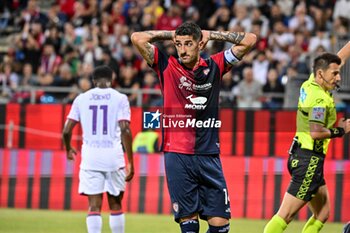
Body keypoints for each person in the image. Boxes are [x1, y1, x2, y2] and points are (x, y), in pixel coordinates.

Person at [131, 22, 256, 233]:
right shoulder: (166, 65)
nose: (183, 49)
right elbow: (137, 37)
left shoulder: (215, 65)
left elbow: (250, 39)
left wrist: (212, 34)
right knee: (189, 226)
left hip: (208, 155)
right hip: (178, 155)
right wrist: (172, 34)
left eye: (189, 43)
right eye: (179, 44)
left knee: (221, 226)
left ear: (200, 44)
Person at [263, 41, 350, 233]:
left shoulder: (312, 82)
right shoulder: (319, 99)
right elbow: (316, 132)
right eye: (334, 74)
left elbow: (338, 59)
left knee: (323, 213)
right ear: (321, 74)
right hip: (308, 160)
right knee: (284, 215)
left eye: (338, 73)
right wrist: (341, 130)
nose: (338, 77)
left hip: (303, 155)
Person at [62, 65, 134, 233]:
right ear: (112, 78)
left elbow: (66, 131)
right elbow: (125, 129)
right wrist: (130, 160)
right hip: (113, 158)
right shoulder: (120, 98)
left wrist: (68, 148)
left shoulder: (81, 99)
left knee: (94, 207)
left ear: (93, 81)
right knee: (115, 204)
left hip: (90, 158)